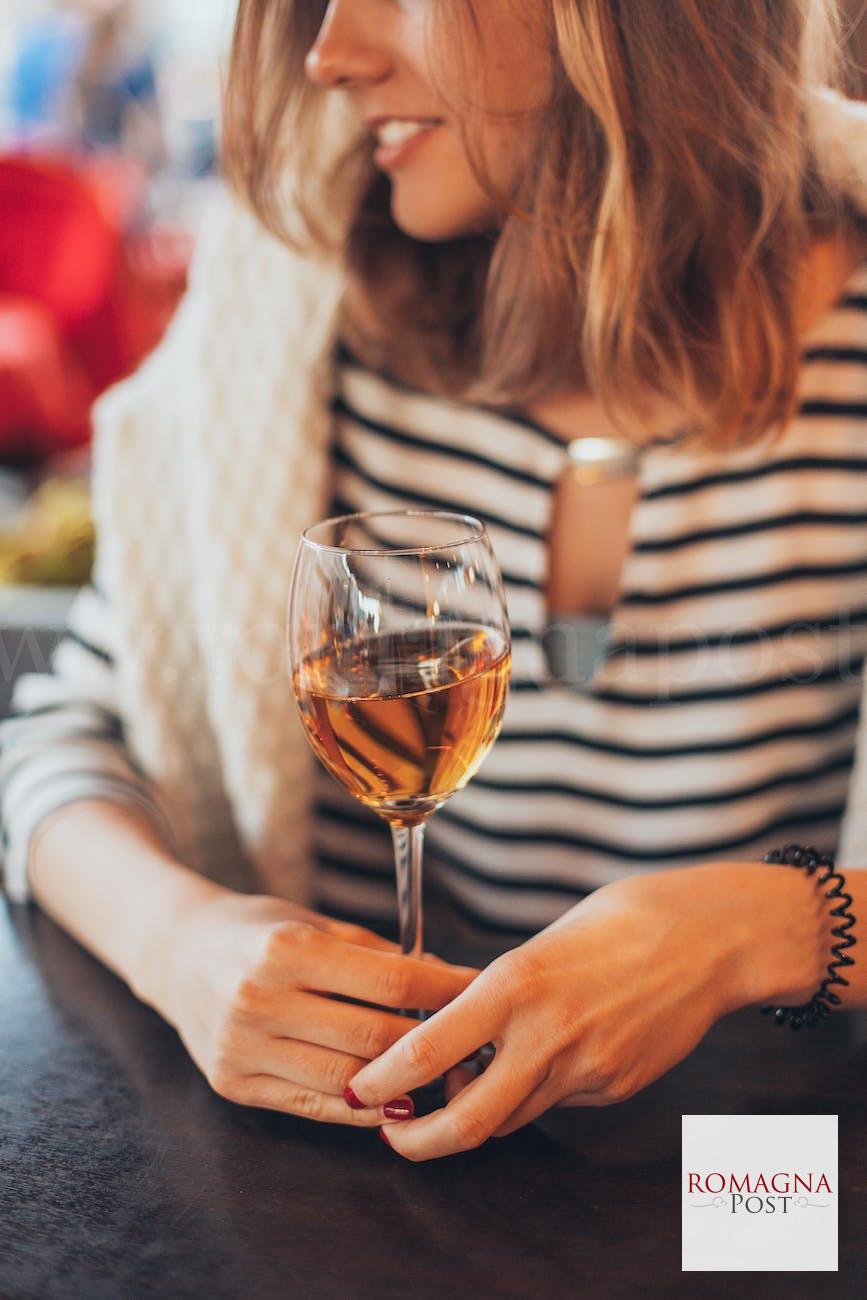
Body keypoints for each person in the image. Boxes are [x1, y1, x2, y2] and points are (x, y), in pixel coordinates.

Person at [2, 0, 867, 1163]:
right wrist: (184, 943)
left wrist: (764, 929)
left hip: (763, 1164)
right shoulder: (301, 324)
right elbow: (60, 736)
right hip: (377, 1173)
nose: (328, 54)